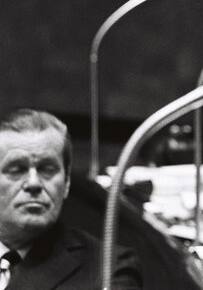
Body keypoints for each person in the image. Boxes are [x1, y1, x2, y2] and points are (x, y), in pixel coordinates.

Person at [0, 108, 142, 289]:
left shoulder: (108, 268)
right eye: (17, 169)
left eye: (47, 169)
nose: (34, 183)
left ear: (66, 182)